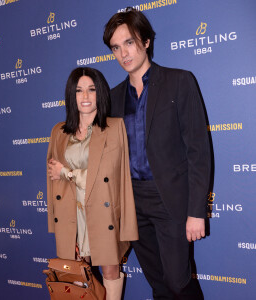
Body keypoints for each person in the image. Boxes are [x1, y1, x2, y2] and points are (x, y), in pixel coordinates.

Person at [103, 8, 211, 300]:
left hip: (170, 201)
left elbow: (198, 152)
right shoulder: (112, 98)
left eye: (129, 42)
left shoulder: (179, 81)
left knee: (178, 282)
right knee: (158, 284)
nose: (123, 53)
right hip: (133, 204)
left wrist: (195, 212)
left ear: (146, 40)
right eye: (116, 47)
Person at [46, 67, 138, 300]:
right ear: (71, 95)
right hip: (71, 214)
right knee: (77, 272)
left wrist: (66, 172)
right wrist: (55, 222)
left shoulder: (114, 128)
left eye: (91, 90)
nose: (85, 96)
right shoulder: (58, 131)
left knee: (110, 270)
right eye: (78, 90)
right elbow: (52, 181)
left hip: (103, 211)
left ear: (100, 94)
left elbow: (106, 175)